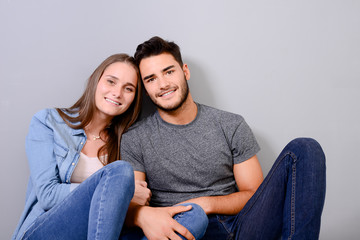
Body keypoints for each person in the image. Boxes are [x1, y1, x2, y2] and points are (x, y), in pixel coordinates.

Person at [120, 36, 326, 240]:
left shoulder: (230, 125)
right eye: (151, 79)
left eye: (169, 72)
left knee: (305, 148)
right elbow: (134, 206)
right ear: (145, 89)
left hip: (240, 226)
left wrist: (206, 203)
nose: (163, 84)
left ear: (185, 71)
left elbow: (253, 193)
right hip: (180, 228)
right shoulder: (135, 139)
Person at [12, 53, 151, 240]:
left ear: (134, 98)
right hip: (42, 230)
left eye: (128, 88)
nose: (117, 93)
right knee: (120, 171)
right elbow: (48, 195)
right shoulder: (47, 122)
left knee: (190, 219)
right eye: (111, 82)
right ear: (95, 81)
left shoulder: (126, 141)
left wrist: (118, 194)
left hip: (95, 233)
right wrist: (117, 192)